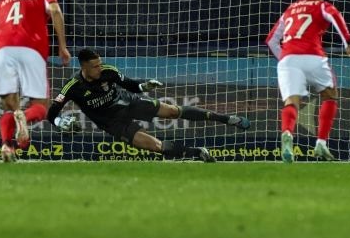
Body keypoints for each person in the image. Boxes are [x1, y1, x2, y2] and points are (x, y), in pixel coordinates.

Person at [47, 48, 251, 162]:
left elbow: (130, 85)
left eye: (100, 63)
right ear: (84, 67)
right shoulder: (72, 86)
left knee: (172, 111)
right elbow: (52, 112)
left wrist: (145, 86)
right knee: (155, 145)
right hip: (112, 123)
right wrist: (58, 122)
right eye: (95, 66)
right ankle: (197, 153)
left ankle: (228, 119)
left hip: (128, 102)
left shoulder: (108, 71)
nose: (99, 68)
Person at [266, 0, 350, 163]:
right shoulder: (322, 6)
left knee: (291, 101)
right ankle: (321, 143)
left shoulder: (291, 9)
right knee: (330, 94)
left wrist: (285, 59)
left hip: (288, 59)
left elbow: (271, 40)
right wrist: (348, 43)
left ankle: (287, 134)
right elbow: (335, 17)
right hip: (313, 56)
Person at [0, 0, 71, 163]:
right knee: (40, 107)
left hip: (2, 50)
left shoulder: (1, 2)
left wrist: (2, 50)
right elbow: (55, 10)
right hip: (31, 48)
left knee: (10, 109)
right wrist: (62, 46)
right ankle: (24, 118)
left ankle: (7, 145)